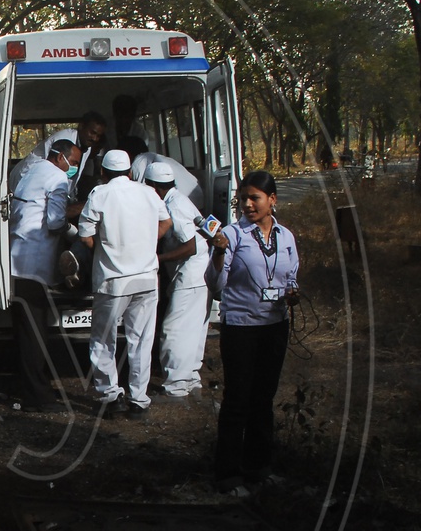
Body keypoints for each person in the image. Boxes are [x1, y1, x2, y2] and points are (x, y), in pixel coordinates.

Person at [206, 171, 300, 495]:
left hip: (274, 326)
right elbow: (216, 286)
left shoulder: (285, 237)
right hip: (242, 328)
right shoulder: (231, 236)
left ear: (272, 200)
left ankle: (258, 467)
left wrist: (292, 293)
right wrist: (218, 253)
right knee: (238, 400)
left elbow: (291, 276)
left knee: (263, 399)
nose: (247, 204)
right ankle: (228, 475)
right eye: (243, 198)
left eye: (255, 198)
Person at [78, 149, 171, 411]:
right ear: (130, 172)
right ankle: (139, 399)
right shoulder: (148, 193)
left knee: (103, 338)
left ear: (102, 173)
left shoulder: (100, 194)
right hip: (146, 278)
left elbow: (85, 236)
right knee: (141, 339)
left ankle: (109, 394)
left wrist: (107, 249)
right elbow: (166, 223)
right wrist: (144, 244)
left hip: (113, 280)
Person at [7, 135, 80, 410]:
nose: (72, 167)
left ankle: (31, 388)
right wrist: (78, 235)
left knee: (25, 330)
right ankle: (38, 396)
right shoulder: (58, 179)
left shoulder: (33, 168)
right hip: (34, 263)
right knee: (34, 332)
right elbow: (55, 221)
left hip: (18, 259)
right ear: (59, 156)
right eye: (72, 162)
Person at [150, 164, 209, 397]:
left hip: (191, 273)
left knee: (173, 329)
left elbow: (191, 245)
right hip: (200, 273)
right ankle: (191, 379)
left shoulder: (174, 206)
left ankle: (176, 385)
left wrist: (158, 259)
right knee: (194, 328)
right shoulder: (182, 199)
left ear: (154, 187)